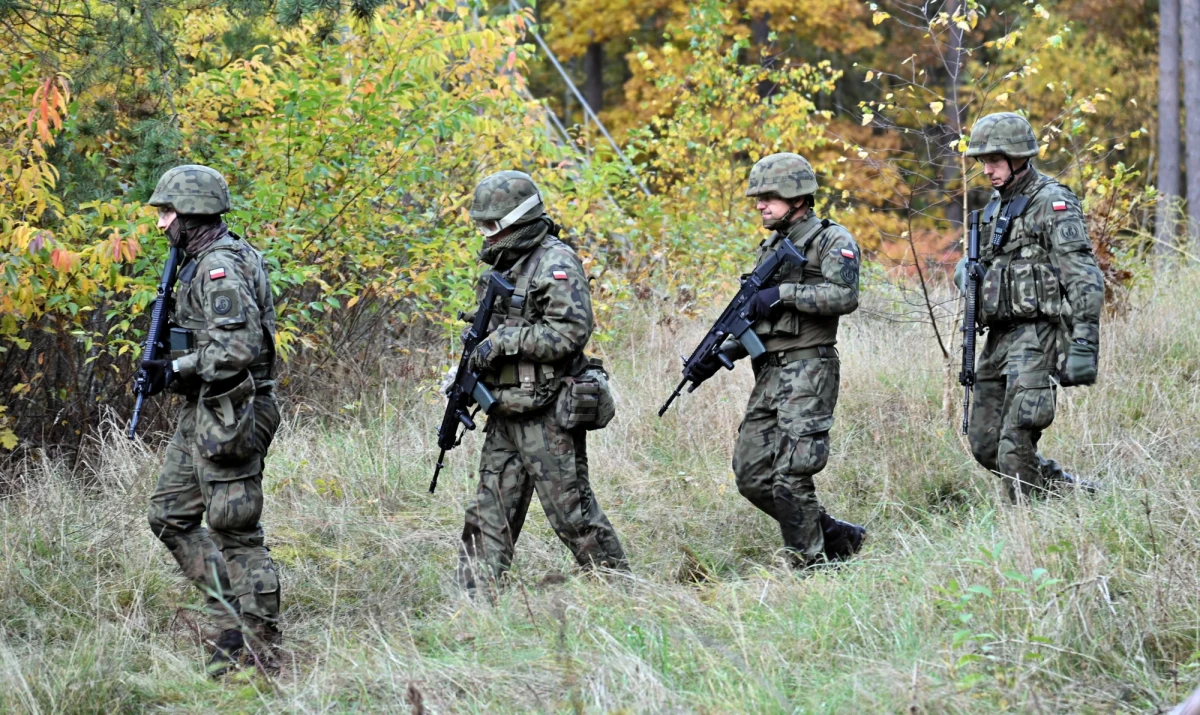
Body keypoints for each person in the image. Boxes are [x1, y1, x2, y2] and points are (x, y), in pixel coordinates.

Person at [456, 170, 629, 594]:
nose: (486, 235)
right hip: (505, 409)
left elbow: (570, 332)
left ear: (519, 218)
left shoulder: (555, 261)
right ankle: (474, 607)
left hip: (547, 412)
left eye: (492, 225)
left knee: (572, 515)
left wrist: (504, 340)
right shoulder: (504, 263)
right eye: (482, 226)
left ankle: (621, 595)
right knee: (487, 516)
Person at [693, 152, 866, 569]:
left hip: (809, 368)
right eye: (758, 197)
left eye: (769, 196)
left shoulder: (832, 240)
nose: (760, 205)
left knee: (792, 473)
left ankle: (811, 566)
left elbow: (845, 297)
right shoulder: (770, 247)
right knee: (751, 475)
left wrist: (783, 294)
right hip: (770, 373)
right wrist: (720, 356)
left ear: (796, 197)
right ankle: (831, 534)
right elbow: (762, 321)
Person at [141, 165, 282, 675]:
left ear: (192, 213)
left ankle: (260, 648)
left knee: (236, 530)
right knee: (170, 516)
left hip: (234, 411)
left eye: (167, 213)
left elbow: (239, 348)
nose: (161, 225)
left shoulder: (219, 267)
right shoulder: (199, 262)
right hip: (203, 407)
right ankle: (229, 621)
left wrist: (174, 367)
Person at [957, 112, 1105, 501]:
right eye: (982, 161)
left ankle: (1030, 528)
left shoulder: (1051, 201)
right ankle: (1067, 493)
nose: (986, 169)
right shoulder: (993, 208)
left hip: (1038, 336)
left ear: (1018, 156)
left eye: (994, 160)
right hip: (1000, 338)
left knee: (1014, 440)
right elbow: (983, 268)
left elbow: (1084, 277)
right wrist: (966, 274)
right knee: (984, 443)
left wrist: (1085, 346)